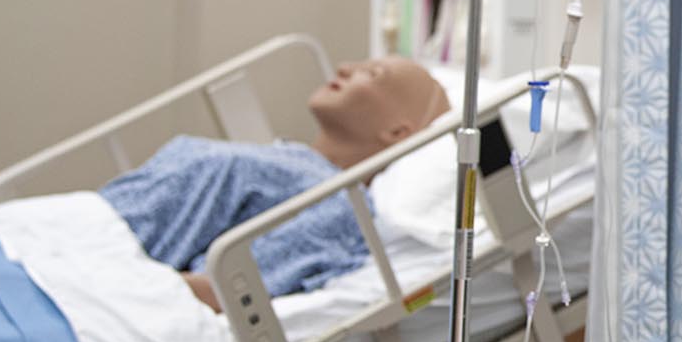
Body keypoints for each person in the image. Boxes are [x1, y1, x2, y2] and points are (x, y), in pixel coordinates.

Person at [99, 55, 450, 308]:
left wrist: (101, 285)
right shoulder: (288, 159)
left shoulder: (338, 205)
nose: (344, 67)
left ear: (397, 132)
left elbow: (225, 291)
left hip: (96, 274)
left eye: (372, 74)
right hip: (78, 235)